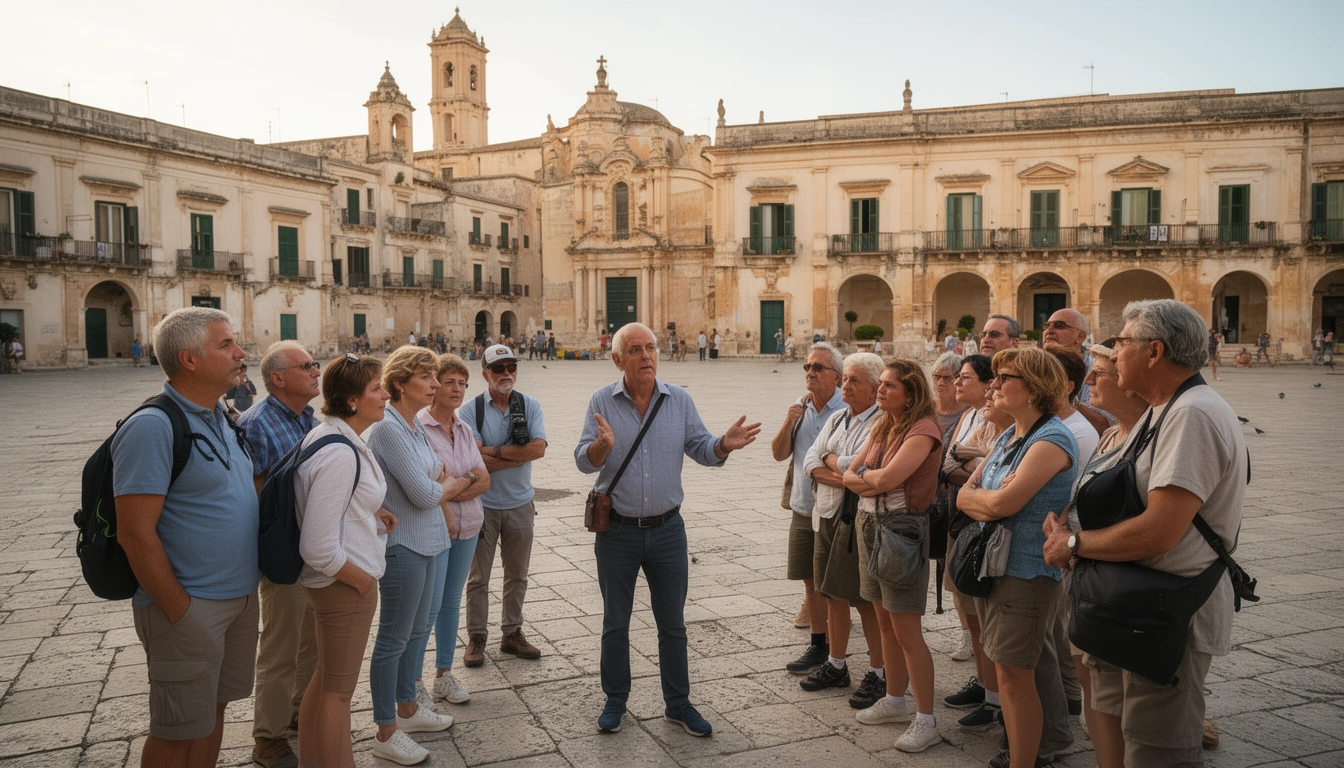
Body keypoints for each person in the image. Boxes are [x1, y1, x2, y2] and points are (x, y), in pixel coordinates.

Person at [1044, 300, 1248, 768]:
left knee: (1157, 751)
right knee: (1122, 736)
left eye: (1121, 343)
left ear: (1154, 352)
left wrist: (1073, 544)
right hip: (1133, 605)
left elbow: (1161, 531)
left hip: (1165, 614)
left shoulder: (1192, 413)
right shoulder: (1163, 410)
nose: (1113, 356)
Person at [575, 322, 760, 736]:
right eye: (636, 350)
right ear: (618, 359)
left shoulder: (679, 400)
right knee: (615, 622)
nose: (646, 356)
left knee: (672, 624)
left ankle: (677, 703)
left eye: (651, 348)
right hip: (617, 532)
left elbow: (701, 448)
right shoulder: (601, 400)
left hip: (667, 532)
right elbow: (583, 461)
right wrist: (600, 446)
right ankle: (615, 701)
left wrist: (724, 444)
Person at [113, 307, 258, 768]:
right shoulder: (153, 427)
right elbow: (134, 534)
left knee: (212, 716)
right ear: (189, 359)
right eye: (226, 345)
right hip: (189, 607)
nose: (240, 353)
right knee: (176, 731)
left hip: (237, 600)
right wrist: (180, 609)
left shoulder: (223, 415)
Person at [957, 348, 1079, 768]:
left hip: (1026, 573)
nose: (994, 385)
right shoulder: (1012, 436)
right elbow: (963, 494)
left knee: (1014, 676)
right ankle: (1029, 751)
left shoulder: (1051, 440)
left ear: (1034, 388)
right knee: (1011, 671)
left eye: (1004, 377)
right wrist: (988, 498)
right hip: (1000, 567)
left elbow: (1001, 504)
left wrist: (988, 498)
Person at [293, 354, 398, 768]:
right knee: (339, 694)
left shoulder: (334, 437)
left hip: (332, 585)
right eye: (377, 389)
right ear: (352, 400)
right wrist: (361, 580)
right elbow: (317, 546)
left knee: (323, 684)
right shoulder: (339, 452)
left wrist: (370, 511)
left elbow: (332, 502)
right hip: (342, 587)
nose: (386, 395)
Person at [366, 346, 466, 764]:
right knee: (393, 636)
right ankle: (385, 729)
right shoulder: (389, 428)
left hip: (430, 540)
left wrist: (440, 485)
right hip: (404, 545)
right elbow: (426, 490)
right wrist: (448, 485)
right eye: (426, 377)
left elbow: (434, 479)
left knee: (417, 628)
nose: (434, 384)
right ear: (401, 383)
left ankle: (407, 706)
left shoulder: (412, 426)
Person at [843, 359, 945, 753]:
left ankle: (926, 719)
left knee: (907, 630)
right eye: (880, 384)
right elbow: (850, 473)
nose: (880, 391)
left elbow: (882, 479)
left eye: (888, 386)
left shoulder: (924, 429)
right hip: (870, 525)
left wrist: (867, 479)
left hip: (900, 530)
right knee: (884, 621)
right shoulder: (885, 424)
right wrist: (868, 479)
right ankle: (896, 700)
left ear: (911, 393)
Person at [1055, 342, 1150, 749]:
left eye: (1101, 373)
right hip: (1088, 576)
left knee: (1134, 703)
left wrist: (1073, 541)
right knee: (1090, 677)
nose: (1089, 380)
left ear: (1130, 383)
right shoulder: (1110, 433)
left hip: (1123, 585)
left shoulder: (1155, 434)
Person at [238, 341, 322, 768]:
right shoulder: (256, 425)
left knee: (312, 641)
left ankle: (297, 713)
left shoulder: (311, 418)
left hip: (319, 550)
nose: (316, 370)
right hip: (286, 553)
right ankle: (267, 737)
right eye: (306, 365)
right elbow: (255, 498)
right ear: (278, 378)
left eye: (315, 363)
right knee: (281, 645)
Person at [801, 353, 886, 707]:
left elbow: (860, 465)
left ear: (874, 388)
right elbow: (810, 460)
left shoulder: (882, 423)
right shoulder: (838, 418)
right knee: (830, 591)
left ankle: (879, 671)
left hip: (857, 520)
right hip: (827, 514)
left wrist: (834, 465)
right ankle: (837, 664)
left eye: (854, 381)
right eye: (846, 379)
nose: (845, 386)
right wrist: (845, 476)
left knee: (863, 599)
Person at [458, 345, 548, 666]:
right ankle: (477, 637)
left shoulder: (530, 405)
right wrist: (513, 452)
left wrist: (492, 452)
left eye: (511, 366)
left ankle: (512, 633)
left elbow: (537, 449)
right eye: (498, 368)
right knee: (479, 577)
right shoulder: (470, 412)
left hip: (521, 504)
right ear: (485, 374)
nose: (506, 372)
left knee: (517, 574)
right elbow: (472, 462)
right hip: (482, 506)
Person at [941, 355, 1013, 718]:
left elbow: (987, 476)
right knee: (968, 614)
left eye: (963, 377)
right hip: (963, 522)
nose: (956, 383)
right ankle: (985, 686)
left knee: (984, 619)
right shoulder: (970, 416)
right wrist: (975, 462)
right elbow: (950, 462)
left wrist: (973, 463)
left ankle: (996, 699)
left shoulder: (1003, 423)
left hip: (983, 528)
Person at [418, 355, 492, 705]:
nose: (457, 389)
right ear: (433, 385)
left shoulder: (463, 429)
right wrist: (463, 483)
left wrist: (452, 487)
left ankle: (443, 675)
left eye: (462, 383)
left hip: (467, 527)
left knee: (449, 603)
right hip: (435, 529)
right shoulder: (417, 428)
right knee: (426, 608)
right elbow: (427, 485)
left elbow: (484, 479)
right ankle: (413, 683)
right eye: (449, 382)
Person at [772, 344, 845, 676]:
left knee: (838, 582)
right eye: (807, 367)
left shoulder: (847, 409)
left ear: (837, 377)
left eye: (818, 368)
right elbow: (779, 453)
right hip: (803, 506)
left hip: (838, 509)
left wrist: (821, 471)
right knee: (810, 579)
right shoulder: (800, 409)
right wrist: (789, 422)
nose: (810, 373)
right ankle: (819, 644)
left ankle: (839, 653)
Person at [1043, 308, 1110, 434]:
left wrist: (1067, 399)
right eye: (1046, 326)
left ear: (1080, 337)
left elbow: (1104, 424)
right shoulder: (1034, 369)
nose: (1049, 330)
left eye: (1059, 326)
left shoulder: (1096, 371)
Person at [931, 352, 966, 439]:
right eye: (937, 377)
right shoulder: (926, 409)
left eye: (947, 378)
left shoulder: (968, 415)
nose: (940, 383)